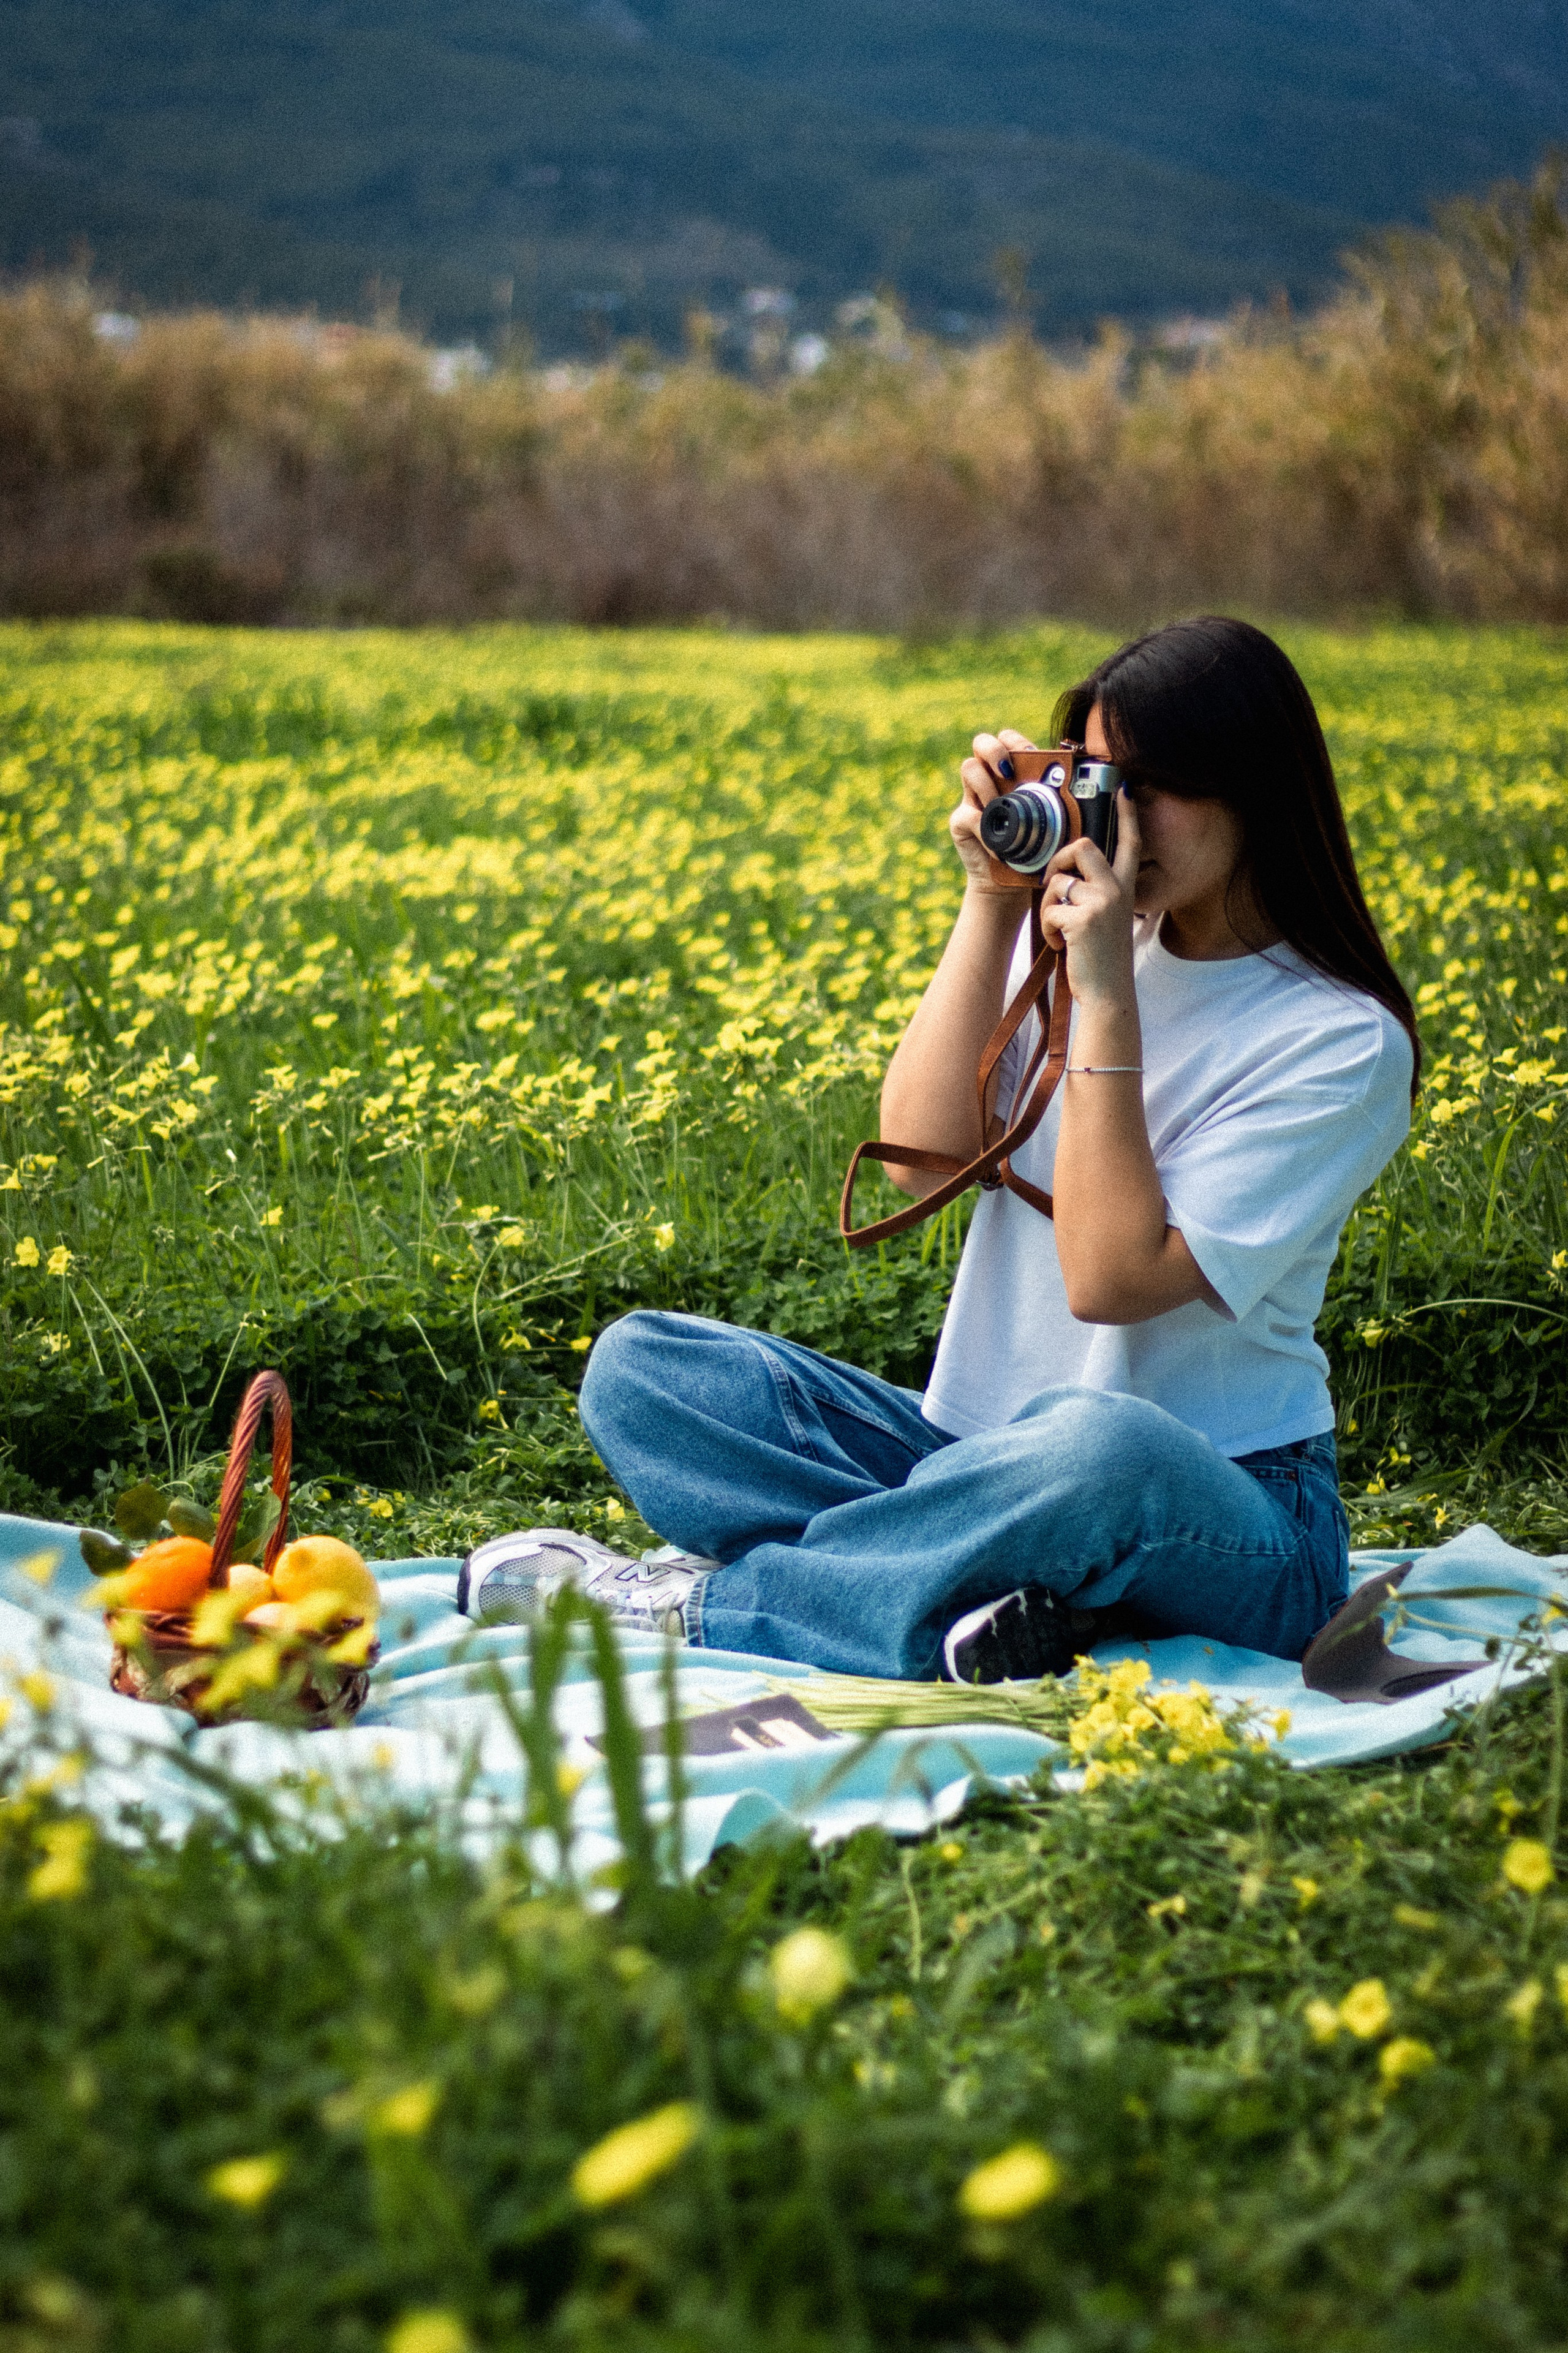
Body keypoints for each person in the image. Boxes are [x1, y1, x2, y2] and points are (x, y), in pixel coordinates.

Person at [460, 618, 1419, 1683]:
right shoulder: (1091, 935)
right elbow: (918, 1157)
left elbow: (1110, 1276)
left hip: (1226, 1511)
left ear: (1253, 791)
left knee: (1103, 1447)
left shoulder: (1340, 1040)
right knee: (645, 1371)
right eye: (1097, 779)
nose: (1117, 819)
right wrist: (992, 901)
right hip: (969, 1460)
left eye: (1151, 789)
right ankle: (995, 1597)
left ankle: (703, 1607)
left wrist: (1104, 994)